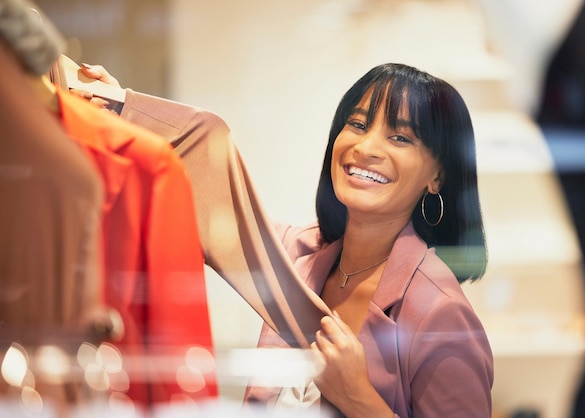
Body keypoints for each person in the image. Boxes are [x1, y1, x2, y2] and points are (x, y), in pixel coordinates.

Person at [74, 62, 493, 418]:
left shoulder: (442, 314)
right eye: (358, 124)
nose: (366, 147)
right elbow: (199, 186)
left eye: (400, 138)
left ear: (437, 175)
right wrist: (121, 111)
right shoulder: (297, 254)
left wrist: (359, 399)